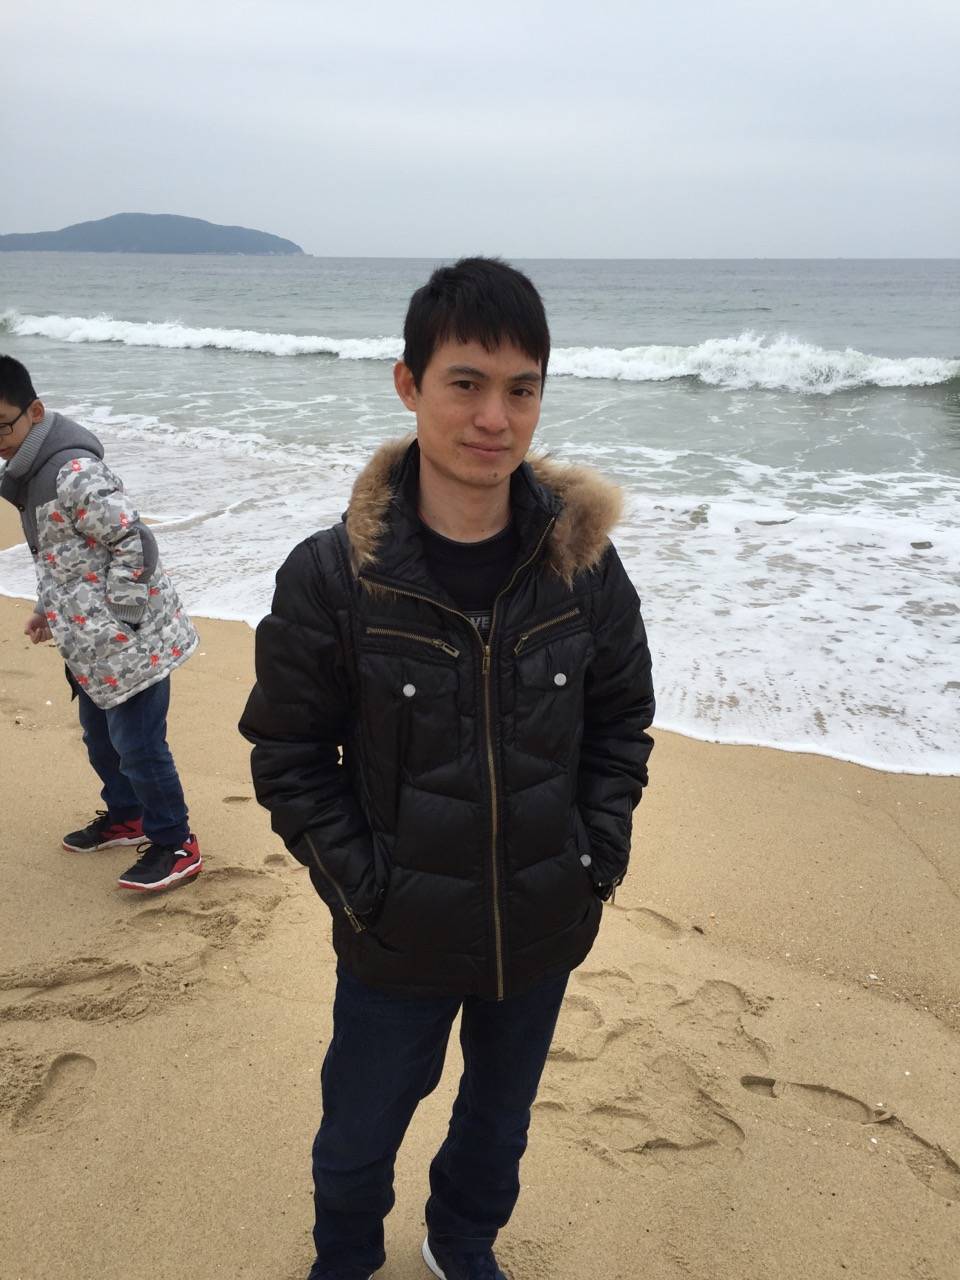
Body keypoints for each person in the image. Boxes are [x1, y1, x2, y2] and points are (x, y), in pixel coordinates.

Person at [239, 257, 655, 1280]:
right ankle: (346, 1256)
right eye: (466, 382)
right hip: (398, 934)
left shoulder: (583, 565)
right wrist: (367, 890)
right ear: (409, 384)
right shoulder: (335, 576)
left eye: (522, 388)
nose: (494, 418)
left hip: (543, 920)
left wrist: (594, 857)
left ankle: (460, 1241)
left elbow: (620, 722)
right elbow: (290, 754)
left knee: (499, 1120)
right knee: (358, 1130)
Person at [0, 354, 201, 892]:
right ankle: (127, 816)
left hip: (127, 641)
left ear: (34, 411)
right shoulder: (29, 475)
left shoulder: (73, 472)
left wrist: (122, 617)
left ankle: (175, 842)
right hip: (89, 643)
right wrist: (47, 610)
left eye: (2, 426)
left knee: (139, 745)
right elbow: (62, 559)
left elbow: (135, 540)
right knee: (100, 739)